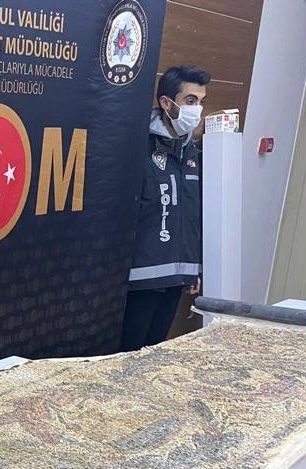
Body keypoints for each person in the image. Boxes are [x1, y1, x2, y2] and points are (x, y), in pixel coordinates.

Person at [121, 64, 211, 352]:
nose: (196, 110)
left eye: (200, 102)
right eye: (190, 100)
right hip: (142, 276)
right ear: (166, 103)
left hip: (177, 274)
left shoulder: (192, 153)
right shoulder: (140, 146)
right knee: (129, 354)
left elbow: (192, 214)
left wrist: (195, 266)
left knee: (155, 351)